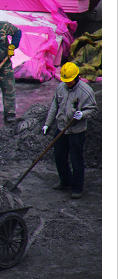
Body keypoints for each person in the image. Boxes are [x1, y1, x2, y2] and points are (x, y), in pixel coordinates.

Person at [43, 61, 98, 199]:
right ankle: (65, 181)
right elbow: (54, 106)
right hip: (61, 128)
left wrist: (82, 115)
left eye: (70, 81)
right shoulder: (61, 88)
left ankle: (77, 188)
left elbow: (94, 110)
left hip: (76, 131)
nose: (67, 83)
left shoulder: (86, 91)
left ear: (76, 77)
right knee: (59, 156)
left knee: (76, 160)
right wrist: (47, 124)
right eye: (65, 81)